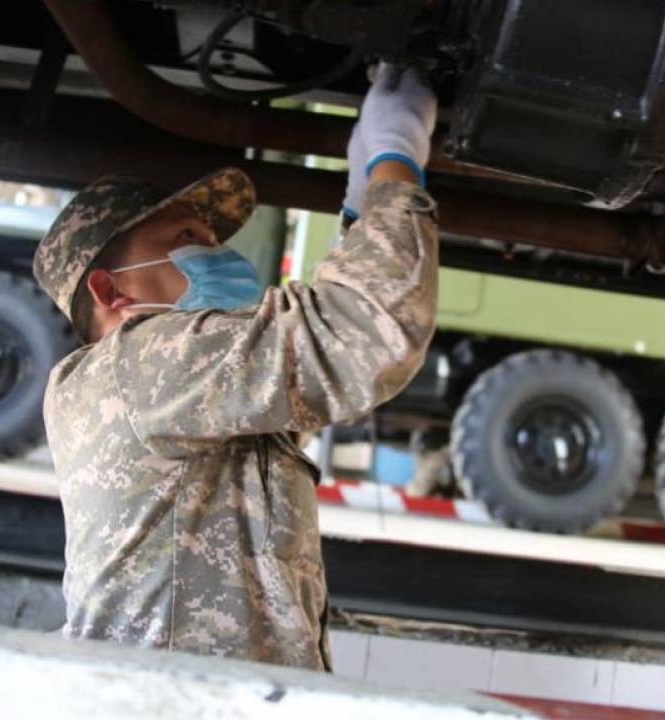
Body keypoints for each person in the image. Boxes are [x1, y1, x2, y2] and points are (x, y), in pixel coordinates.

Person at [32, 63, 439, 671]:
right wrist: (392, 160)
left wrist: (358, 208)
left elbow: (307, 364)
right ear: (111, 292)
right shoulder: (135, 366)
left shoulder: (173, 388)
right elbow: (361, 331)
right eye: (187, 236)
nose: (218, 252)